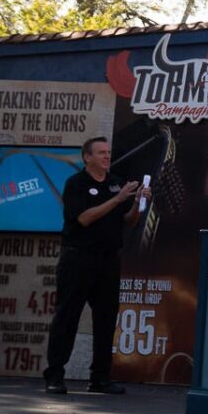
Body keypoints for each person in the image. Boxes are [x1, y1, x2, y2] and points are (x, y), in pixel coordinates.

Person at [43, 137, 147, 395]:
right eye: (100, 153)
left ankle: (99, 377)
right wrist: (117, 198)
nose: (106, 157)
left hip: (108, 259)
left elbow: (129, 221)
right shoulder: (76, 184)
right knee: (67, 317)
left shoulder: (115, 182)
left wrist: (136, 203)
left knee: (106, 319)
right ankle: (55, 375)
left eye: (108, 152)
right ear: (87, 157)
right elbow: (85, 218)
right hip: (78, 258)